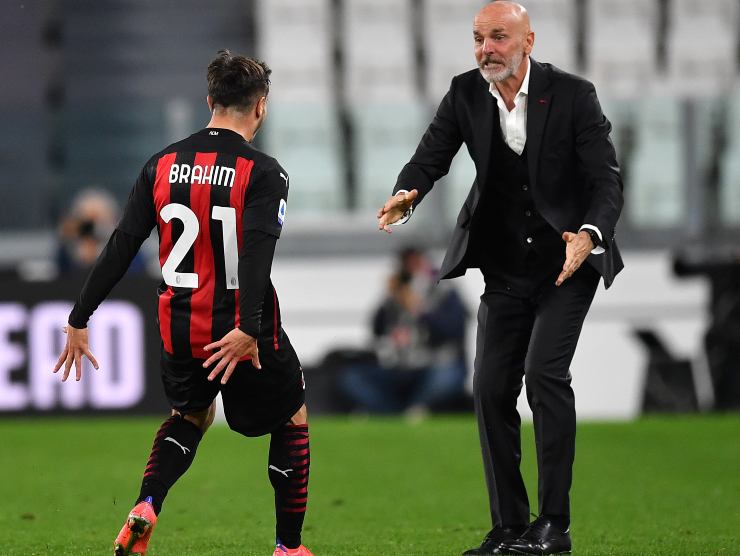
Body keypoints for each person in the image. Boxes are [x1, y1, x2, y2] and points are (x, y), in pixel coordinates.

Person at [377, 2, 624, 555]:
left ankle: (553, 525)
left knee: (543, 377)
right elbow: (430, 157)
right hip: (506, 268)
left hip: (568, 263)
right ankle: (510, 527)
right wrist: (407, 193)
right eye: (478, 38)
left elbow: (606, 179)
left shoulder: (574, 94)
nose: (486, 48)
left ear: (528, 41)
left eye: (498, 37)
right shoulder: (465, 93)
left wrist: (589, 234)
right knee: (489, 389)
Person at [53, 50, 313, 556]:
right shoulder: (265, 172)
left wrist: (79, 317)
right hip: (239, 332)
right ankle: (288, 547)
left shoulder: (162, 164)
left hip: (179, 328)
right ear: (260, 107)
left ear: (209, 100)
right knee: (292, 419)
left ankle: (148, 503)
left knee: (190, 417)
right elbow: (258, 255)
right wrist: (249, 329)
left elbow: (121, 244)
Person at [341, 247, 468, 415]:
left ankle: (416, 407)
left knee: (446, 378)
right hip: (399, 367)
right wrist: (389, 297)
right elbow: (376, 331)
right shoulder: (395, 294)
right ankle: (393, 411)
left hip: (434, 364)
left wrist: (420, 311)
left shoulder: (444, 291)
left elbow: (453, 330)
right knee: (352, 378)